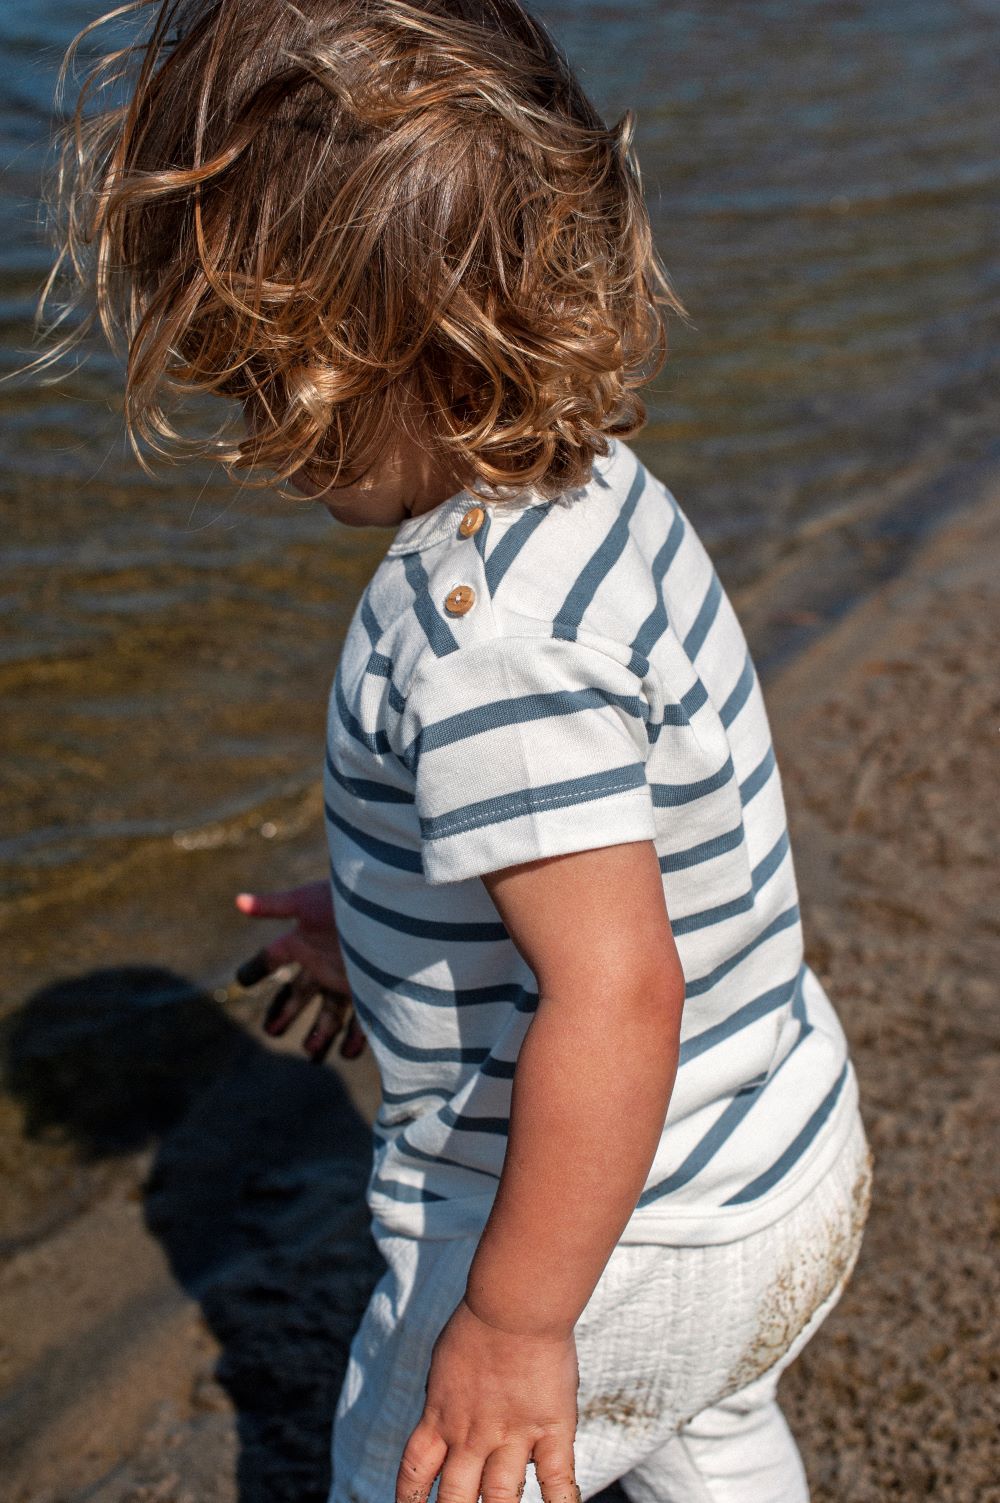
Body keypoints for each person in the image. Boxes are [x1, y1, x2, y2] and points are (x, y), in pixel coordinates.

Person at [41, 2, 873, 1500]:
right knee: (708, 1432)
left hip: (611, 1241)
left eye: (246, 382)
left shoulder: (473, 635)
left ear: (320, 357)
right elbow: (641, 868)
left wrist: (510, 1318)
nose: (253, 435)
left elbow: (617, 995)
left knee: (417, 1470)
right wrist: (398, 936)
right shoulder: (601, 493)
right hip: (779, 1156)